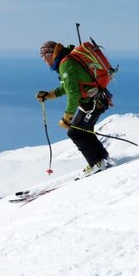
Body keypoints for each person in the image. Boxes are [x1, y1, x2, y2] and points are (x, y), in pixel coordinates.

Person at [36, 40, 111, 178]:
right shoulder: (66, 61)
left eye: (43, 56)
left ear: (51, 53)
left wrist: (67, 116)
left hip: (93, 102)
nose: (43, 60)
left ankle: (96, 163)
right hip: (96, 100)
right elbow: (69, 87)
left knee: (75, 132)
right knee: (83, 131)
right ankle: (103, 159)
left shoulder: (65, 64)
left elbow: (73, 93)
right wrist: (49, 95)